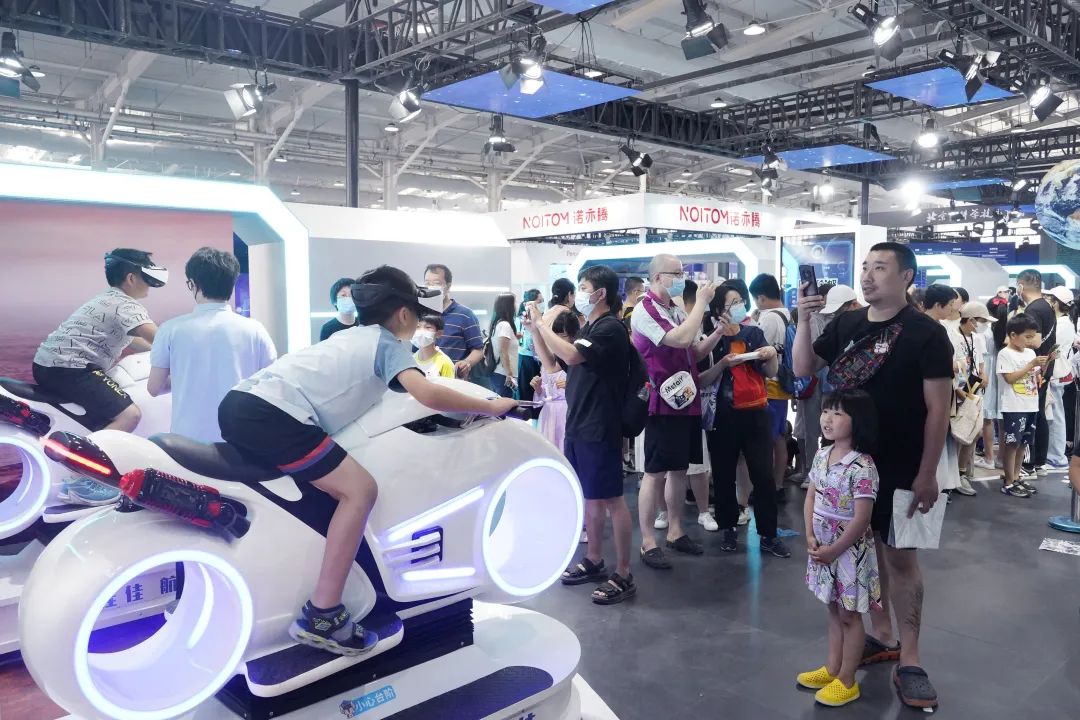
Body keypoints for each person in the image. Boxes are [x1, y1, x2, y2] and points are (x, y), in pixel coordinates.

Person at [218, 266, 518, 655]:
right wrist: (491, 406)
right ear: (405, 314)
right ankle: (323, 615)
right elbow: (426, 393)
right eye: (418, 315)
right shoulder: (388, 345)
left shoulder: (347, 338)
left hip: (241, 404)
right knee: (360, 491)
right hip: (274, 415)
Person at [793, 242, 953, 711]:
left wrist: (928, 472)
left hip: (903, 467)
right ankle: (881, 636)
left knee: (900, 559)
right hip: (847, 468)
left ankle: (911, 660)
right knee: (863, 553)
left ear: (906, 277)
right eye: (865, 267)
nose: (867, 275)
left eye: (880, 268)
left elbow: (938, 409)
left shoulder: (926, 333)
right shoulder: (847, 324)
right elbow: (803, 367)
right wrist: (803, 318)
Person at [529, 265, 636, 605]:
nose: (580, 293)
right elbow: (555, 363)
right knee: (590, 496)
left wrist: (543, 324)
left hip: (600, 425)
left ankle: (624, 572)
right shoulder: (589, 327)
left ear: (601, 293)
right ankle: (594, 558)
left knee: (612, 499)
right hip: (579, 424)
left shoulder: (610, 328)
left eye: (585, 287)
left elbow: (573, 354)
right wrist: (535, 329)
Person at [33, 248, 166, 506]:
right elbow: (161, 339)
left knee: (109, 411)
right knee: (129, 415)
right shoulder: (127, 305)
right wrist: (188, 347)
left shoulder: (108, 299)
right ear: (131, 278)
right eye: (146, 275)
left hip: (50, 366)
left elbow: (138, 342)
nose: (150, 282)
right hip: (72, 368)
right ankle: (82, 481)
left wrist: (161, 351)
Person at [631, 254, 722, 569]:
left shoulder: (676, 309)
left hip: (686, 398)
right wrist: (701, 303)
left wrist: (719, 332)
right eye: (677, 273)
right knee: (654, 473)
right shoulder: (645, 310)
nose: (682, 278)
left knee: (680, 469)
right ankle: (647, 541)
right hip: (661, 402)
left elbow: (693, 351)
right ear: (658, 277)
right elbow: (680, 339)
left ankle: (675, 530)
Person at [798, 389, 881, 708]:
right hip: (822, 548)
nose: (827, 419)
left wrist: (835, 549)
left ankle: (847, 680)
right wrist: (809, 535)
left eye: (838, 413)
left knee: (849, 615)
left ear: (857, 421)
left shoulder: (862, 466)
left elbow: (862, 519)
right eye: (825, 411)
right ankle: (832, 668)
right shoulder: (822, 455)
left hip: (847, 552)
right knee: (833, 609)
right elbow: (811, 496)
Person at [148, 247, 276, 443]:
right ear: (232, 283)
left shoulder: (170, 329)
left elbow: (154, 387)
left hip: (187, 439)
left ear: (193, 284)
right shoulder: (255, 329)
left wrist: (187, 376)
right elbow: (271, 385)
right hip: (242, 436)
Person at [699, 282, 786, 556]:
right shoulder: (708, 340)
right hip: (721, 417)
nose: (739, 307)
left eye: (740, 301)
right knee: (723, 475)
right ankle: (728, 528)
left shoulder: (754, 333)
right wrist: (723, 364)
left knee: (763, 475)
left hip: (756, 413)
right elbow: (700, 380)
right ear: (718, 311)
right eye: (732, 303)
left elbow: (770, 371)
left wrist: (771, 355)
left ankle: (769, 534)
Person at [795, 284, 860, 489]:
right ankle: (812, 472)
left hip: (841, 389)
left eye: (840, 311)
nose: (837, 316)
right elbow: (804, 365)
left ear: (853, 304)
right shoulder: (817, 320)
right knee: (812, 428)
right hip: (817, 383)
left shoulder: (862, 325)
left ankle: (835, 473)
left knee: (841, 430)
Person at [749, 273, 793, 502]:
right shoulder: (786, 314)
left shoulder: (768, 319)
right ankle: (777, 485)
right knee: (778, 437)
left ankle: (772, 487)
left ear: (761, 298)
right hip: (781, 385)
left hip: (770, 385)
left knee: (769, 439)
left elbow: (757, 351)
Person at [997, 313, 1049, 498]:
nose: (1030, 341)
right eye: (1027, 337)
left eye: (1032, 337)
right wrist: (1032, 364)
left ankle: (1017, 477)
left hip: (1031, 404)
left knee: (1023, 444)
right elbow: (1010, 378)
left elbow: (1035, 376)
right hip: (1014, 406)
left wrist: (1042, 368)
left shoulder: (1030, 353)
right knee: (1012, 444)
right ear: (1013, 335)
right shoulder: (1005, 354)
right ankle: (1008, 481)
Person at [682, 280, 719, 532]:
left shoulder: (697, 327)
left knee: (698, 462)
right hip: (671, 402)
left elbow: (698, 357)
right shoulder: (674, 325)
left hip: (697, 400)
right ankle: (666, 512)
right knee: (669, 468)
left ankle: (703, 510)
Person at [922, 285, 963, 498]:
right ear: (938, 305)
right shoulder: (928, 328)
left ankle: (940, 484)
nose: (953, 309)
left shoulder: (938, 327)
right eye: (951, 305)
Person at [1015, 269, 1057, 475]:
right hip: (1045, 367)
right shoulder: (1047, 306)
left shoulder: (1032, 309)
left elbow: (1036, 341)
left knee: (1030, 415)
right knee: (1039, 414)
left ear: (1021, 286)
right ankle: (1039, 462)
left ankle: (1028, 464)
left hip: (1035, 369)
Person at [953, 302, 993, 496]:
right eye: (982, 321)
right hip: (957, 392)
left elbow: (981, 363)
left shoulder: (978, 338)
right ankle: (951, 477)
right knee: (955, 435)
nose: (983, 325)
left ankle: (961, 473)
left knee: (973, 433)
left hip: (974, 392)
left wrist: (984, 376)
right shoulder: (952, 336)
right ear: (970, 320)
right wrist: (957, 390)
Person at [424, 264, 484, 379]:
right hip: (427, 379)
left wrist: (467, 363)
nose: (430, 288)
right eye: (427, 283)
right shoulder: (423, 314)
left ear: (448, 286)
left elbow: (478, 350)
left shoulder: (465, 315)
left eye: (436, 283)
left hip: (454, 379)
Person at [530, 311, 578, 451]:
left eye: (563, 335)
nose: (558, 340)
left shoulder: (576, 357)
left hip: (567, 413)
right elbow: (543, 396)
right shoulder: (549, 359)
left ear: (573, 335)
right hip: (548, 414)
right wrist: (538, 389)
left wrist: (571, 385)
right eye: (555, 335)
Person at [1046, 286, 1076, 469]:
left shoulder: (1063, 324)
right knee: (1055, 413)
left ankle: (1057, 456)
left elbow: (1053, 348)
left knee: (1056, 415)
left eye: (1050, 299)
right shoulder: (1064, 321)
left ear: (1057, 303)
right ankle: (1054, 454)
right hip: (1057, 372)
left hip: (1057, 373)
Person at [488, 293, 519, 398]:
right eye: (514, 302)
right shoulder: (505, 325)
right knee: (504, 404)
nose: (516, 305)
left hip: (499, 373)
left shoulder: (498, 324)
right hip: (503, 374)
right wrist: (509, 374)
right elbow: (503, 351)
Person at [517, 288, 544, 408]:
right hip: (530, 359)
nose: (542, 304)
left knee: (530, 391)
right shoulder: (527, 319)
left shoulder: (522, 318)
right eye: (540, 301)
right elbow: (530, 342)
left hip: (525, 357)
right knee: (530, 392)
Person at [412, 314, 455, 379]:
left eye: (428, 327)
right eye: (417, 326)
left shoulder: (445, 362)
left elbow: (449, 385)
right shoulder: (411, 360)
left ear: (439, 333)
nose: (421, 331)